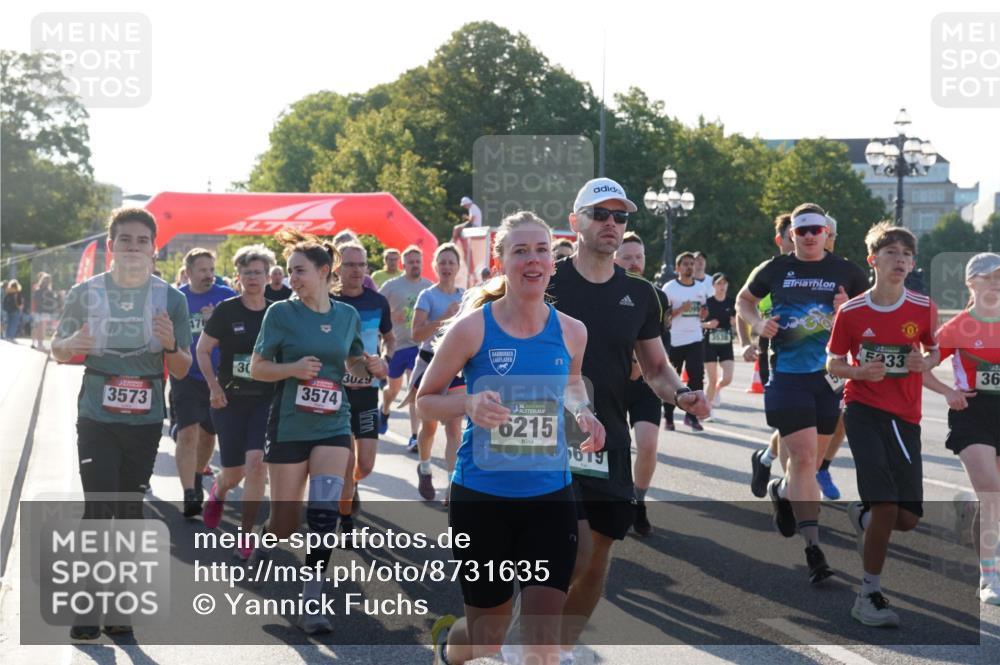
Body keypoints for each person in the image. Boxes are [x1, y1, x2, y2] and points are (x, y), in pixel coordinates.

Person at [420, 211, 604, 665]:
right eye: (520, 250)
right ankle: (450, 649)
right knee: (487, 641)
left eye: (541, 249)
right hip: (483, 499)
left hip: (550, 498)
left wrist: (585, 414)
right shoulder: (473, 328)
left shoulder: (572, 331)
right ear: (501, 261)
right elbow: (425, 400)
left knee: (542, 650)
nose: (533, 259)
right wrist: (468, 404)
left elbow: (572, 383)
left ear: (553, 261)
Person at [547, 177, 709, 656]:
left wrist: (681, 396)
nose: (612, 224)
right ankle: (527, 636)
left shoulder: (640, 295)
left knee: (597, 557)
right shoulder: (547, 280)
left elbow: (656, 367)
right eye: (601, 215)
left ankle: (559, 649)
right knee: (571, 551)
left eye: (621, 217)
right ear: (576, 221)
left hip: (610, 438)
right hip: (549, 436)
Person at [51, 207, 192, 640]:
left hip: (145, 418)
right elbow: (57, 349)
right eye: (125, 240)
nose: (133, 247)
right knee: (99, 507)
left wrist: (170, 345)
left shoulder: (172, 299)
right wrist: (72, 343)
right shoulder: (85, 292)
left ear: (153, 249)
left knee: (129, 509)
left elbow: (183, 369)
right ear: (111, 247)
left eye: (142, 241)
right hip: (96, 415)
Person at [249, 228, 386, 634]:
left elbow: (353, 362)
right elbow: (258, 367)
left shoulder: (347, 316)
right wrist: (291, 369)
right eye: (290, 271)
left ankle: (313, 596)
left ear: (325, 272)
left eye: (300, 271)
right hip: (290, 424)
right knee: (286, 522)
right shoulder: (281, 314)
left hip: (334, 422)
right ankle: (267, 538)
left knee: (325, 510)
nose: (293, 278)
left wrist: (372, 366)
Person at [737, 202, 868, 584]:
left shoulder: (846, 271)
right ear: (790, 235)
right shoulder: (774, 269)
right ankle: (813, 547)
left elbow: (871, 314)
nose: (809, 236)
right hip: (787, 374)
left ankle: (781, 487)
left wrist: (851, 308)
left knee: (806, 462)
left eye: (816, 230)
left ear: (827, 232)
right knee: (806, 457)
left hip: (828, 376)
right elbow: (743, 301)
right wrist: (758, 323)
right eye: (802, 230)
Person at [827, 221, 938, 626]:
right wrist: (858, 373)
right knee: (887, 506)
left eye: (907, 255)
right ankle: (868, 594)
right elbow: (833, 362)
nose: (901, 260)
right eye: (892, 253)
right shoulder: (853, 312)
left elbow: (935, 348)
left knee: (907, 518)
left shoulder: (923, 307)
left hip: (907, 416)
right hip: (863, 410)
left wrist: (925, 361)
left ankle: (861, 515)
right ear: (873, 260)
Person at [923, 252, 1000, 605]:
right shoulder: (956, 328)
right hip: (972, 414)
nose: (997, 282)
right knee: (991, 491)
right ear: (971, 283)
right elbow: (923, 367)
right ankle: (989, 577)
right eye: (990, 277)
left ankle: (970, 509)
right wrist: (948, 391)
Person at [195, 245, 277, 559]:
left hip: (265, 399)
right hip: (229, 400)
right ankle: (219, 489)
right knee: (235, 473)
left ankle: (246, 533)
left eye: (258, 272)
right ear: (238, 277)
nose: (253, 278)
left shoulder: (277, 311)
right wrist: (213, 386)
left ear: (268, 277)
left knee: (257, 466)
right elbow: (203, 351)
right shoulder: (227, 310)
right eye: (247, 273)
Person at [331, 241, 395, 542]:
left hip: (367, 390)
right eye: (349, 264)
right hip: (335, 392)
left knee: (364, 465)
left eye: (361, 265)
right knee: (345, 463)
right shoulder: (326, 301)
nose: (356, 270)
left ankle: (352, 487)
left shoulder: (377, 301)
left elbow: (390, 339)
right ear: (337, 268)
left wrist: (385, 359)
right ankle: (344, 519)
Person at [173, 249, 237, 517]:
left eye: (211, 269)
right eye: (202, 270)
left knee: (209, 435)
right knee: (188, 433)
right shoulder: (177, 299)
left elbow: (242, 332)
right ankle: (189, 493)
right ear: (188, 272)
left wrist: (217, 323)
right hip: (186, 375)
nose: (209, 275)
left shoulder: (226, 297)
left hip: (218, 377)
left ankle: (198, 477)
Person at [614, 231, 670, 536]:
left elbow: (658, 345)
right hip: (612, 384)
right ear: (615, 258)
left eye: (639, 256)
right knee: (616, 448)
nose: (634, 263)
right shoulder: (604, 291)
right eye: (627, 257)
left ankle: (639, 500)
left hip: (646, 384)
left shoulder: (656, 296)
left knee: (647, 445)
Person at [410, 243, 465, 502]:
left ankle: (452, 487)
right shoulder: (427, 296)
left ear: (458, 267)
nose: (446, 267)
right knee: (429, 428)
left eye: (451, 262)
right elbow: (416, 334)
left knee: (454, 430)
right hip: (429, 365)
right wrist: (444, 317)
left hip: (455, 368)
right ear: (435, 266)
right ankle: (424, 467)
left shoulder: (466, 296)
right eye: (442, 262)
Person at [379, 246, 433, 449]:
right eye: (411, 262)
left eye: (418, 261)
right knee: (392, 390)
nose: (415, 265)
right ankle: (384, 409)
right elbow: (376, 307)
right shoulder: (392, 286)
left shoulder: (428, 287)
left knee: (414, 389)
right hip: (396, 345)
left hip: (418, 346)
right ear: (404, 264)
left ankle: (413, 436)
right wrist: (391, 317)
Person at [662, 252, 709, 431]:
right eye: (686, 264)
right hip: (674, 340)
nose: (690, 266)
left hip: (695, 338)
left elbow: (704, 310)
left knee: (697, 377)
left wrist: (704, 314)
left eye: (691, 263)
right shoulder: (670, 288)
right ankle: (668, 416)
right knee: (673, 380)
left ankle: (692, 417)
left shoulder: (700, 288)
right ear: (677, 268)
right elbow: (664, 318)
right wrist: (681, 309)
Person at [703, 272, 736, 412]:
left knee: (727, 378)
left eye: (724, 283)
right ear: (713, 286)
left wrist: (734, 322)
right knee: (712, 379)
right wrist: (707, 324)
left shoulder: (731, 302)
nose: (722, 286)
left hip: (726, 343)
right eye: (719, 283)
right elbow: (696, 322)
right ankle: (707, 409)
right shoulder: (707, 302)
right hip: (709, 342)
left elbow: (739, 321)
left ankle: (717, 389)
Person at [31, 272, 59, 351]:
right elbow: (52, 303)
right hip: (44, 311)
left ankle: (35, 343)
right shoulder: (49, 291)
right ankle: (39, 344)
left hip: (38, 311)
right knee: (41, 327)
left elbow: (35, 301)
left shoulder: (37, 290)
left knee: (37, 327)